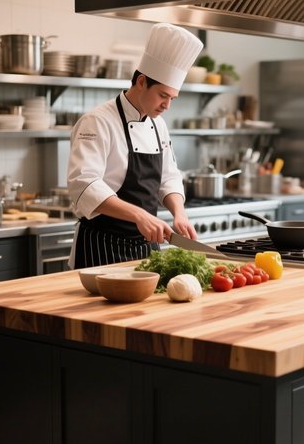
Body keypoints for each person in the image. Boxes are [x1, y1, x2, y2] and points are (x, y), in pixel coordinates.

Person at [67, 23, 203, 268]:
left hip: (147, 246)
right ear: (142, 81)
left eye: (172, 98)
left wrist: (179, 213)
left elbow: (168, 178)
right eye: (163, 95)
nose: (167, 106)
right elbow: (83, 185)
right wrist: (140, 215)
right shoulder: (97, 122)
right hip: (102, 246)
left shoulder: (158, 124)